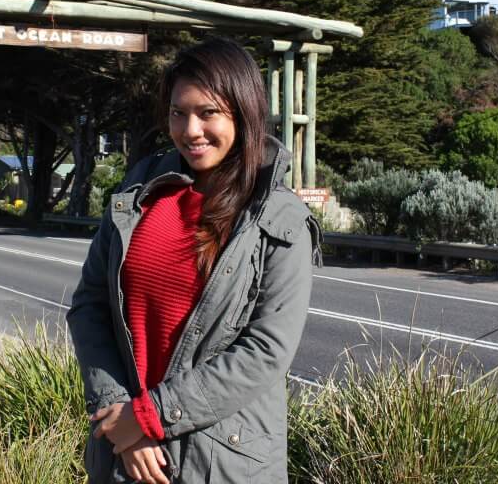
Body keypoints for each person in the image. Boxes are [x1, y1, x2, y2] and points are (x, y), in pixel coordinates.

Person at [66, 36, 320, 484]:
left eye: (208, 113)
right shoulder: (139, 193)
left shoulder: (280, 219)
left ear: (243, 113)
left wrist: (148, 418)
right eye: (178, 113)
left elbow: (265, 350)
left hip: (223, 463)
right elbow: (90, 305)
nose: (191, 130)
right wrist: (119, 414)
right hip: (125, 457)